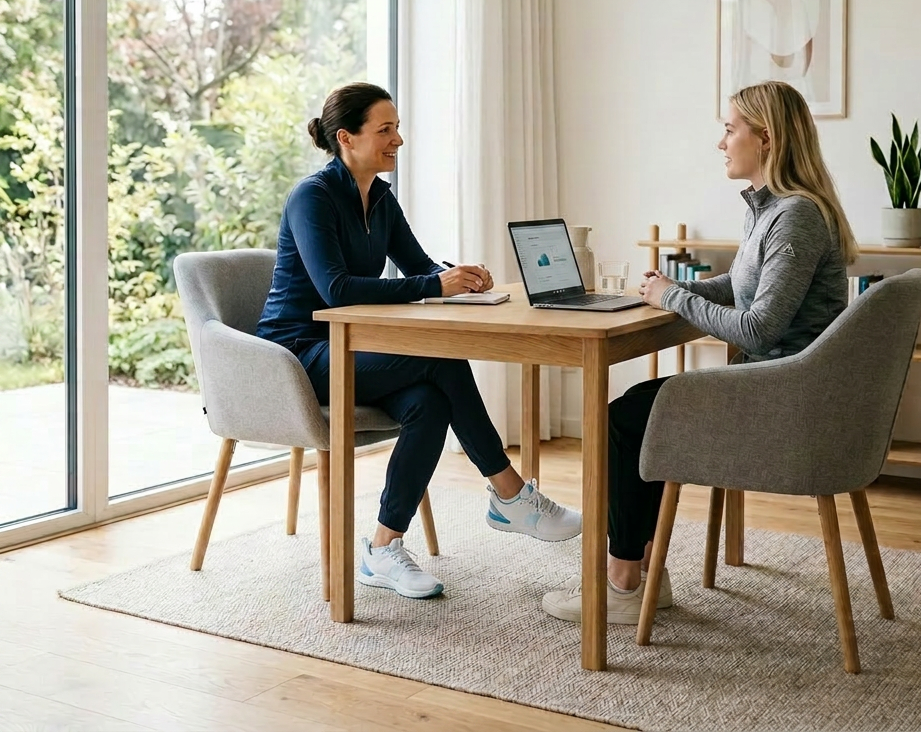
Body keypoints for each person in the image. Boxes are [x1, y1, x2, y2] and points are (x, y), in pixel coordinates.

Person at [540, 80, 857, 624]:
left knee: (626, 418)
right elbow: (741, 284)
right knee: (641, 411)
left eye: (730, 129)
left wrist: (675, 297)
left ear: (767, 138)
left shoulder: (796, 216)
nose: (721, 142)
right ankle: (642, 572)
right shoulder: (774, 209)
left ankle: (623, 581)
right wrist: (669, 288)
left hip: (778, 396)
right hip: (780, 385)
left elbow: (757, 328)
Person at [257, 82, 581, 600]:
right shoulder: (311, 198)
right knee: (440, 362)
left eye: (397, 128)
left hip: (354, 349)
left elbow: (420, 266)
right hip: (297, 353)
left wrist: (460, 277)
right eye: (385, 130)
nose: (398, 140)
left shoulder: (380, 197)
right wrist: (434, 286)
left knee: (429, 402)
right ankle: (509, 493)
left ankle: (382, 547)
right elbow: (335, 289)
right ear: (346, 137)